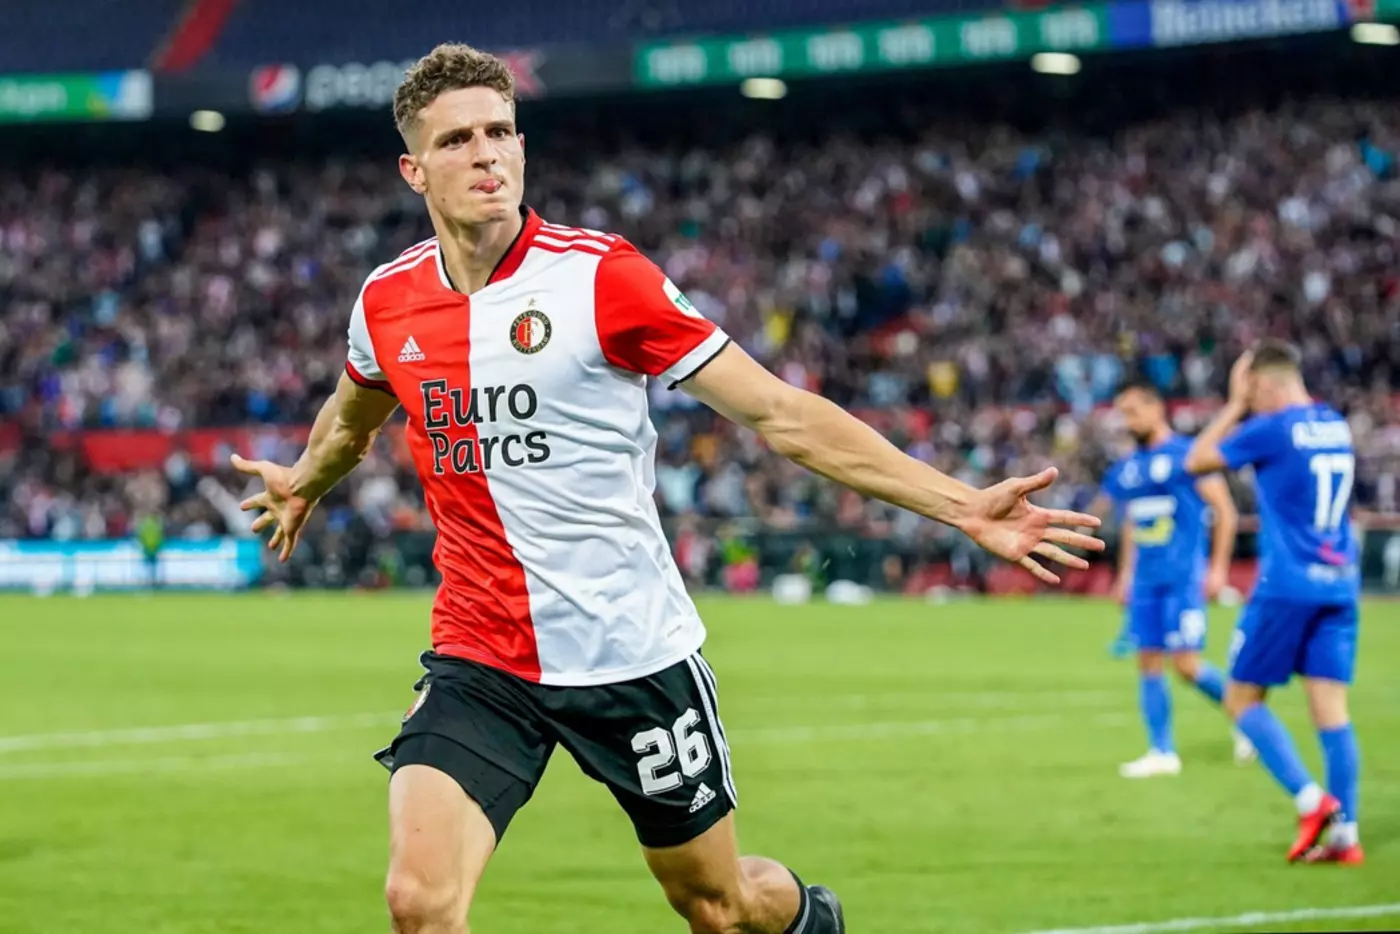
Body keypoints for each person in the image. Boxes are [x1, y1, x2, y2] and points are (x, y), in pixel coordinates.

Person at [231, 43, 1105, 934]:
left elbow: (779, 414)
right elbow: (350, 418)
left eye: (500, 132)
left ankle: (809, 921)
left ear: (522, 146)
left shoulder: (602, 279)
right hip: (482, 653)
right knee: (419, 902)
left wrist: (961, 504)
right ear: (414, 170)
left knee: (719, 908)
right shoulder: (388, 301)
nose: (486, 154)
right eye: (458, 140)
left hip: (629, 653)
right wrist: (303, 483)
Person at [1185, 341, 1362, 865]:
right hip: (1340, 582)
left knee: (1241, 699)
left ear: (1262, 382)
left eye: (1249, 387)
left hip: (1287, 585)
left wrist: (1235, 406)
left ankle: (1312, 802)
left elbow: (1196, 460)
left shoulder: (1272, 427)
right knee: (1331, 711)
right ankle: (1345, 838)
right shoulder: (1334, 423)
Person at [1091, 381, 1249, 779]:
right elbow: (1132, 522)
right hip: (1146, 580)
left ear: (1157, 409)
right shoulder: (1129, 467)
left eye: (1133, 411)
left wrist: (1217, 569)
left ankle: (1246, 715)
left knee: (1187, 665)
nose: (1127, 421)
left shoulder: (1188, 456)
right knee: (1147, 661)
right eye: (1122, 413)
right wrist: (1125, 575)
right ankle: (1161, 751)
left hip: (1183, 577)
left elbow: (1225, 512)